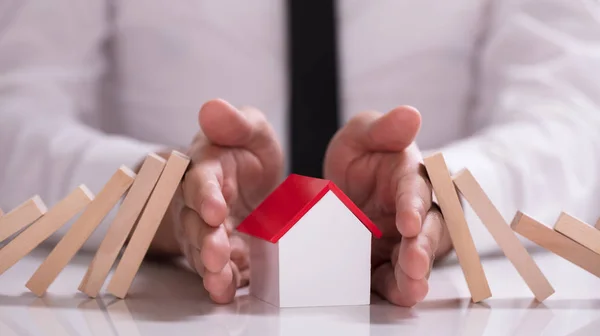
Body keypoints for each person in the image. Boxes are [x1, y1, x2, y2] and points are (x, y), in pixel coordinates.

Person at [1, 1, 599, 307]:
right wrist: (152, 199)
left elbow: (576, 115)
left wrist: (445, 200)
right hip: (157, 315)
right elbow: (16, 104)